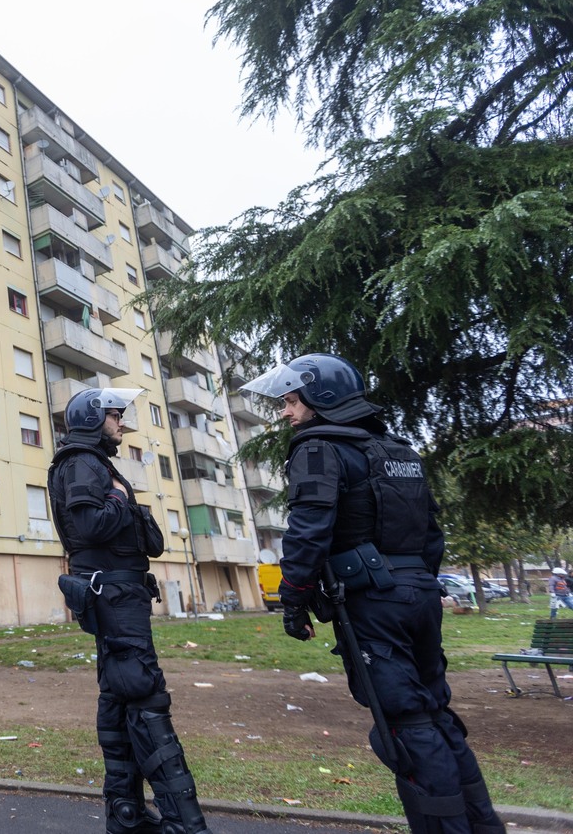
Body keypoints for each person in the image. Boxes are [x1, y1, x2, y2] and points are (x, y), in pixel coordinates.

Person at [244, 353, 505, 834]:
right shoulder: (399, 451)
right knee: (435, 713)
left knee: (407, 726)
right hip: (420, 595)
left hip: (372, 602)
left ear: (321, 397)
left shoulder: (318, 447)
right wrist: (415, 584)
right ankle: (483, 826)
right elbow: (431, 535)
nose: (285, 412)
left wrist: (294, 601)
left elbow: (308, 533)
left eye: (291, 401)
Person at [47, 387, 214, 834]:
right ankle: (183, 824)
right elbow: (90, 525)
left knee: (119, 696)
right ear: (92, 419)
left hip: (120, 594)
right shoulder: (82, 462)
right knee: (143, 691)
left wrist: (123, 498)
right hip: (115, 596)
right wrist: (121, 498)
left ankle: (126, 815)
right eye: (115, 415)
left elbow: (141, 538)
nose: (122, 422)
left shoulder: (95, 463)